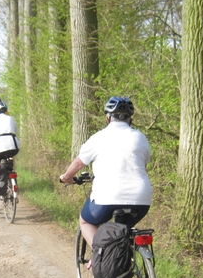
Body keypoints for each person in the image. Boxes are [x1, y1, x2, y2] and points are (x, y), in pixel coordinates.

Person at [59, 96, 152, 246]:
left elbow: (78, 163)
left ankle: (99, 255)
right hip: (141, 199)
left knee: (86, 223)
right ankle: (124, 260)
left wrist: (66, 177)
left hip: (107, 197)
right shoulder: (140, 137)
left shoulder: (98, 138)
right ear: (131, 120)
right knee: (125, 233)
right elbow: (143, 163)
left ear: (107, 119)